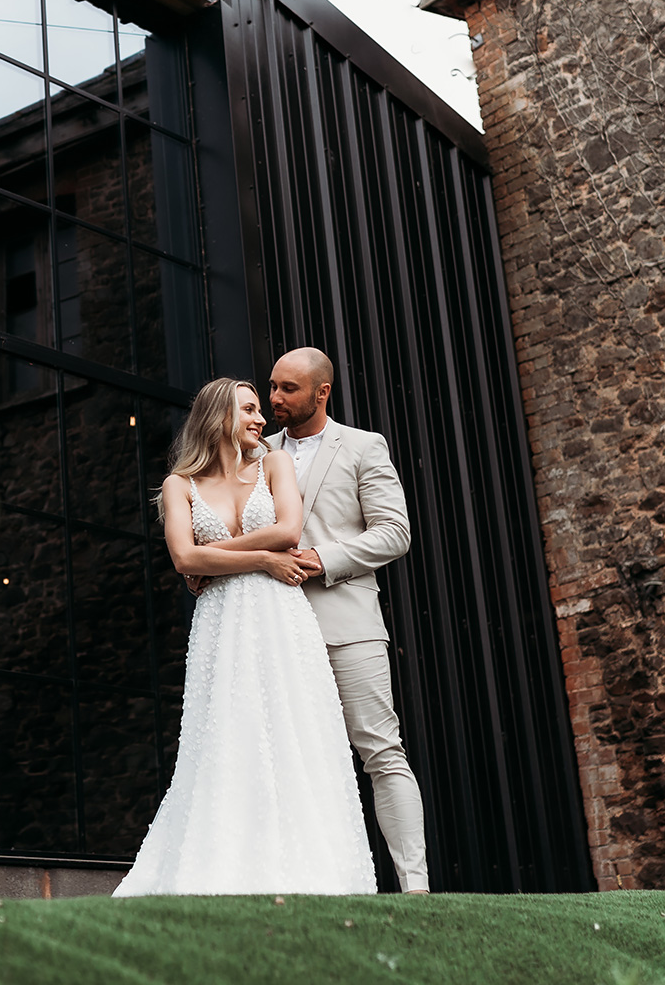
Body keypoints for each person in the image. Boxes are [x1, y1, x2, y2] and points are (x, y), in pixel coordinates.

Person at [113, 377, 377, 896]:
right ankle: (226, 865)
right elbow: (185, 558)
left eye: (261, 410)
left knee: (296, 731)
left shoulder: (273, 465)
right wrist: (259, 560)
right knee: (227, 736)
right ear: (218, 416)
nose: (262, 419)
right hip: (221, 626)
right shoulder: (177, 485)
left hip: (282, 620)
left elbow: (288, 531)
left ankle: (317, 872)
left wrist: (224, 557)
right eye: (250, 410)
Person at [265, 346, 430, 894]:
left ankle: (416, 888)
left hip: (348, 623)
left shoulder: (363, 446)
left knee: (381, 751)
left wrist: (324, 559)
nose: (275, 399)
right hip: (275, 626)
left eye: (289, 388)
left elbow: (395, 531)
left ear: (322, 392)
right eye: (272, 387)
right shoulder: (256, 453)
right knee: (290, 759)